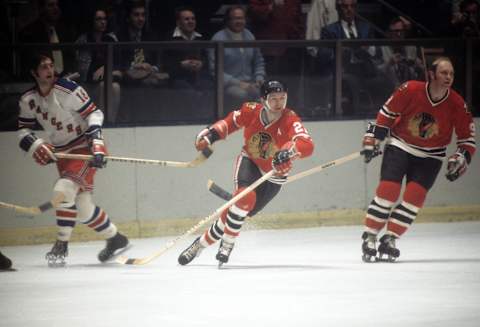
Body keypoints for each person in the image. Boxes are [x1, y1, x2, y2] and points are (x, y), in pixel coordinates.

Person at [178, 80, 314, 266]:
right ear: (263, 99)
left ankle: (200, 244)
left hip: (274, 175)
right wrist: (210, 135)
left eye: (282, 98)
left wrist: (289, 151)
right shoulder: (251, 110)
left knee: (237, 211)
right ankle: (228, 244)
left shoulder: (290, 118)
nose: (279, 103)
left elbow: (307, 145)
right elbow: (230, 123)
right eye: (273, 98)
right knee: (244, 198)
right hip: (249, 161)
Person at [17, 52, 129, 266]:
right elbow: (22, 130)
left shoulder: (68, 89)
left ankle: (61, 244)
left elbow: (95, 114)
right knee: (84, 208)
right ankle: (116, 238)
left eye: (51, 65)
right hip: (62, 153)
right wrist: (35, 144)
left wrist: (96, 142)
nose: (49, 70)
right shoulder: (28, 100)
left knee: (63, 189)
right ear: (34, 72)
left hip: (84, 147)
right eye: (43, 67)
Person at [360, 57, 476, 262]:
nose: (448, 77)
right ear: (431, 74)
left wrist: (462, 156)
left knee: (414, 198)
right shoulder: (410, 89)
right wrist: (374, 138)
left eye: (451, 74)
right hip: (400, 145)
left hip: (431, 155)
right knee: (388, 191)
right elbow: (386, 114)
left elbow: (467, 139)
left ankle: (390, 238)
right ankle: (370, 236)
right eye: (444, 73)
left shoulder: (457, 103)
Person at [208, 5, 266, 110]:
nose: (239, 21)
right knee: (243, 95)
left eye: (241, 18)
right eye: (235, 18)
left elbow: (259, 61)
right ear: (228, 20)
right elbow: (215, 71)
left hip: (251, 83)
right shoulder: (218, 39)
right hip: (229, 86)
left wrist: (259, 78)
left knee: (271, 92)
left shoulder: (250, 36)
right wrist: (239, 83)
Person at [75, 6, 121, 123]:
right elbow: (82, 70)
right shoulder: (84, 39)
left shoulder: (111, 39)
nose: (102, 22)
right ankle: (100, 124)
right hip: (89, 82)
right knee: (102, 86)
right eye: (98, 19)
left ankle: (110, 123)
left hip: (109, 79)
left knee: (115, 87)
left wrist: (106, 69)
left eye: (104, 19)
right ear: (92, 21)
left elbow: (119, 64)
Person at [18, 0, 75, 77]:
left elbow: (70, 56)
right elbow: (31, 61)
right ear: (41, 9)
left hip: (64, 79)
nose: (56, 8)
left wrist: (68, 72)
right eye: (51, 5)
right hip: (41, 79)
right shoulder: (30, 32)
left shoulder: (65, 30)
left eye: (57, 5)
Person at [162, 6, 210, 91]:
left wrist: (201, 63)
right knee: (189, 92)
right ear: (178, 23)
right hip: (177, 77)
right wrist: (181, 65)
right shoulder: (168, 38)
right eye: (187, 19)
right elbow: (164, 64)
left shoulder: (200, 38)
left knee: (209, 88)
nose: (191, 21)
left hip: (199, 77)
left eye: (193, 19)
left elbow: (206, 59)